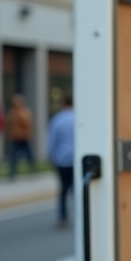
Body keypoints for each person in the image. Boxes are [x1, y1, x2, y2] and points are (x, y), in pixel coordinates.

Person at [47, 96, 75, 228]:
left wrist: (51, 156)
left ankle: (63, 218)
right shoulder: (78, 118)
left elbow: (52, 141)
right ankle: (81, 216)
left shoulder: (57, 120)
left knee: (63, 190)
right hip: (75, 160)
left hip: (62, 160)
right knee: (77, 191)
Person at [7, 94, 36, 178]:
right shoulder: (12, 112)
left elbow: (28, 124)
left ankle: (32, 170)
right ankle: (12, 172)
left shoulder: (24, 112)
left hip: (24, 137)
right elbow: (9, 124)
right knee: (14, 156)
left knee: (28, 154)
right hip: (16, 137)